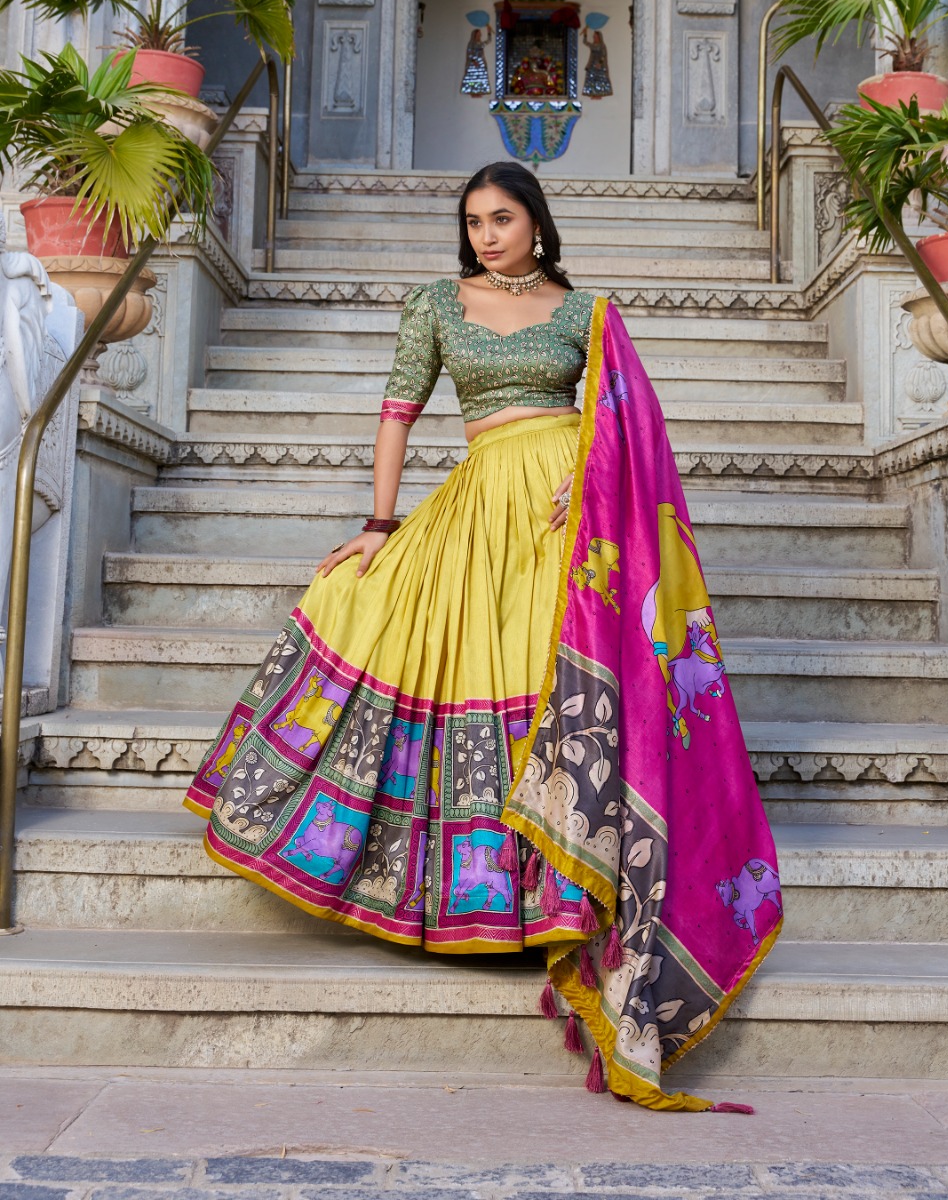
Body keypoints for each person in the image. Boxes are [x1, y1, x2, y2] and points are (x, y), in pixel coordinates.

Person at [185, 161, 781, 1112]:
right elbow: (397, 411)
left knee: (559, 694)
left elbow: (626, 423)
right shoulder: (437, 303)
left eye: (501, 218)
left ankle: (565, 899)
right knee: (387, 617)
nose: (486, 236)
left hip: (568, 529)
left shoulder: (587, 313)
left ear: (536, 222)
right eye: (473, 222)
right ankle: (477, 898)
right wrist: (378, 524)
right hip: (477, 509)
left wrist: (592, 477)